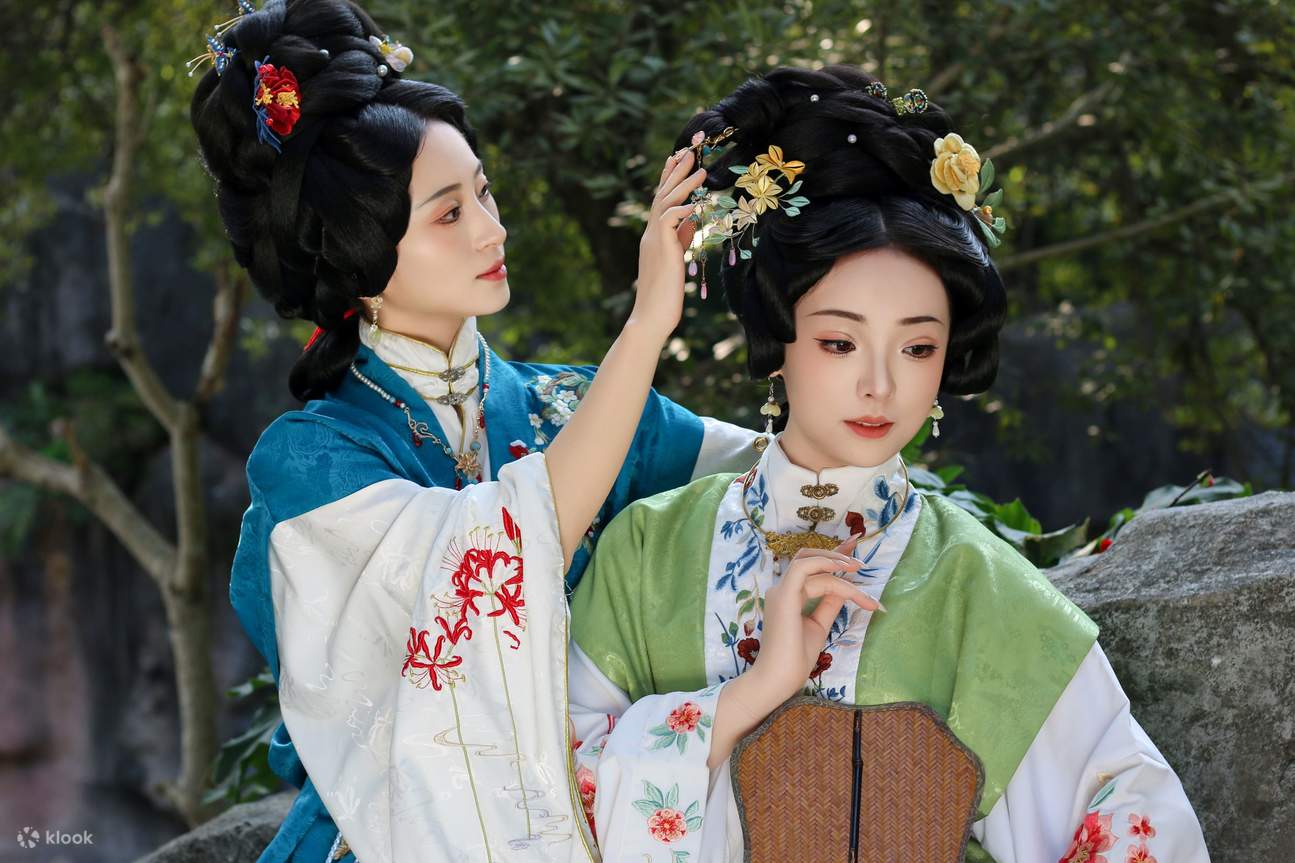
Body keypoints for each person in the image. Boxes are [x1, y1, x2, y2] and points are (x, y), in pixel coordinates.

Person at [569, 66, 1210, 862]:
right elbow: (530, 791)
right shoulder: (645, 554)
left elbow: (1133, 811)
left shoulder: (982, 588)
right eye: (838, 342)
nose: (881, 383)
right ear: (776, 341)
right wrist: (746, 696)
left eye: (917, 346)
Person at [188, 1, 757, 860]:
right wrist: (645, 324)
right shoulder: (310, 465)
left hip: (627, 811)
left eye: (483, 192)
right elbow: (496, 563)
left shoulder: (570, 405)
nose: (494, 229)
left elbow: (775, 477)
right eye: (449, 213)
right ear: (361, 256)